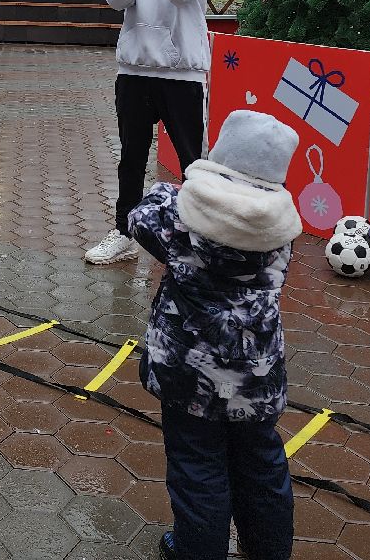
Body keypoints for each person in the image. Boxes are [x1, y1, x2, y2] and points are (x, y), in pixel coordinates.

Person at [127, 110, 302, 560]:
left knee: (197, 467)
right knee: (262, 466)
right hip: (255, 377)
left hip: (188, 376)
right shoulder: (279, 232)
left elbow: (138, 216)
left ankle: (195, 550)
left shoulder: (179, 216)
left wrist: (185, 187)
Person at [86, 0, 221, 265]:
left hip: (182, 72)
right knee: (131, 155)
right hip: (134, 68)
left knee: (191, 159)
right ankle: (124, 232)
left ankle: (203, 236)